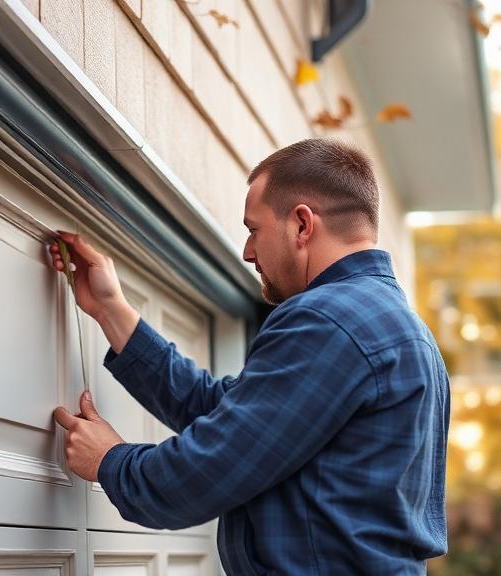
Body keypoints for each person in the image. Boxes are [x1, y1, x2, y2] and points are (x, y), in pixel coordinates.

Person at [50, 138, 449, 575]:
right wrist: (113, 312)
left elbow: (206, 472)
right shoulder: (405, 332)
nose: (247, 252)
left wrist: (110, 460)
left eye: (253, 229)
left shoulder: (327, 320)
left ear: (301, 224)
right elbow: (229, 415)